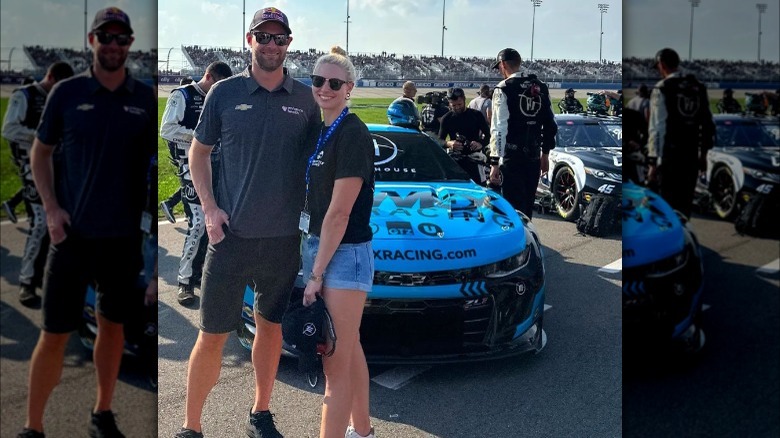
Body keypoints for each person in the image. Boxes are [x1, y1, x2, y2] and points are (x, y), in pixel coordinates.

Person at [177, 7, 320, 438]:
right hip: (231, 238)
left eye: (280, 38)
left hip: (282, 242)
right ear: (249, 39)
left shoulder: (306, 97)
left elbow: (323, 161)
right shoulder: (224, 92)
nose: (272, 45)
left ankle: (260, 412)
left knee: (270, 328)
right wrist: (208, 208)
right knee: (212, 335)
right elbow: (198, 153)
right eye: (264, 36)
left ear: (289, 44)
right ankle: (191, 426)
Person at [21, 7, 156, 438]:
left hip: (121, 239)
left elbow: (152, 168)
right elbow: (40, 153)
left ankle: (102, 412)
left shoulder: (143, 98)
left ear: (130, 44)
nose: (114, 44)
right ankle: (33, 426)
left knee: (112, 328)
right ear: (91, 40)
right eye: (106, 36)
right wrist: (52, 209)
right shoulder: (66, 93)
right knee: (55, 333)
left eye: (122, 38)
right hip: (72, 235)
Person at [304, 45, 375, 438]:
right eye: (318, 81)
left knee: (334, 361)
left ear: (349, 88)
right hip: (320, 245)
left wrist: (315, 275)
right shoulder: (321, 130)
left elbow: (339, 213)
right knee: (349, 349)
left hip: (344, 253)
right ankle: (362, 432)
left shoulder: (353, 133)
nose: (325, 88)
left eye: (334, 83)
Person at [160, 60, 233, 305]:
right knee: (199, 223)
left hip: (220, 167)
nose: (220, 90)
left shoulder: (220, 98)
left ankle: (201, 272)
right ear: (208, 76)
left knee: (220, 222)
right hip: (191, 167)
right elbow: (166, 129)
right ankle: (184, 280)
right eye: (218, 85)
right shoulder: (182, 96)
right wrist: (198, 138)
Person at [1, 61, 74, 307]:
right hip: (31, 167)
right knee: (41, 222)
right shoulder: (24, 96)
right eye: (58, 85)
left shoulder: (61, 97)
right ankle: (26, 281)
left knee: (64, 224)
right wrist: (41, 136)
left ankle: (47, 275)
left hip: (60, 167)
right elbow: (9, 129)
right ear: (49, 76)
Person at [488, 48, 557, 219]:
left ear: (503, 64)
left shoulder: (503, 88)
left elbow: (498, 127)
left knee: (512, 209)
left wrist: (494, 162)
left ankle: (517, 243)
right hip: (534, 157)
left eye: (499, 68)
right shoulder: (540, 86)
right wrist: (545, 154)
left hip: (512, 158)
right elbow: (551, 124)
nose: (499, 72)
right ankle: (528, 241)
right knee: (527, 207)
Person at [646, 48, 715, 218]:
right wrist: (703, 155)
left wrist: (653, 162)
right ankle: (682, 241)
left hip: (670, 157)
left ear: (662, 65)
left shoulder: (663, 87)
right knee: (684, 207)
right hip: (691, 157)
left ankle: (668, 241)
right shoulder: (698, 87)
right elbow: (707, 124)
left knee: (665, 208)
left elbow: (657, 127)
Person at [439, 87, 491, 185]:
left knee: (479, 188)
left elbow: (489, 135)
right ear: (449, 103)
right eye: (453, 105)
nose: (457, 107)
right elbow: (439, 140)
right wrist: (449, 143)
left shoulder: (476, 115)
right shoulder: (446, 118)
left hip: (475, 159)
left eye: (459, 104)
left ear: (464, 99)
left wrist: (480, 143)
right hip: (455, 160)